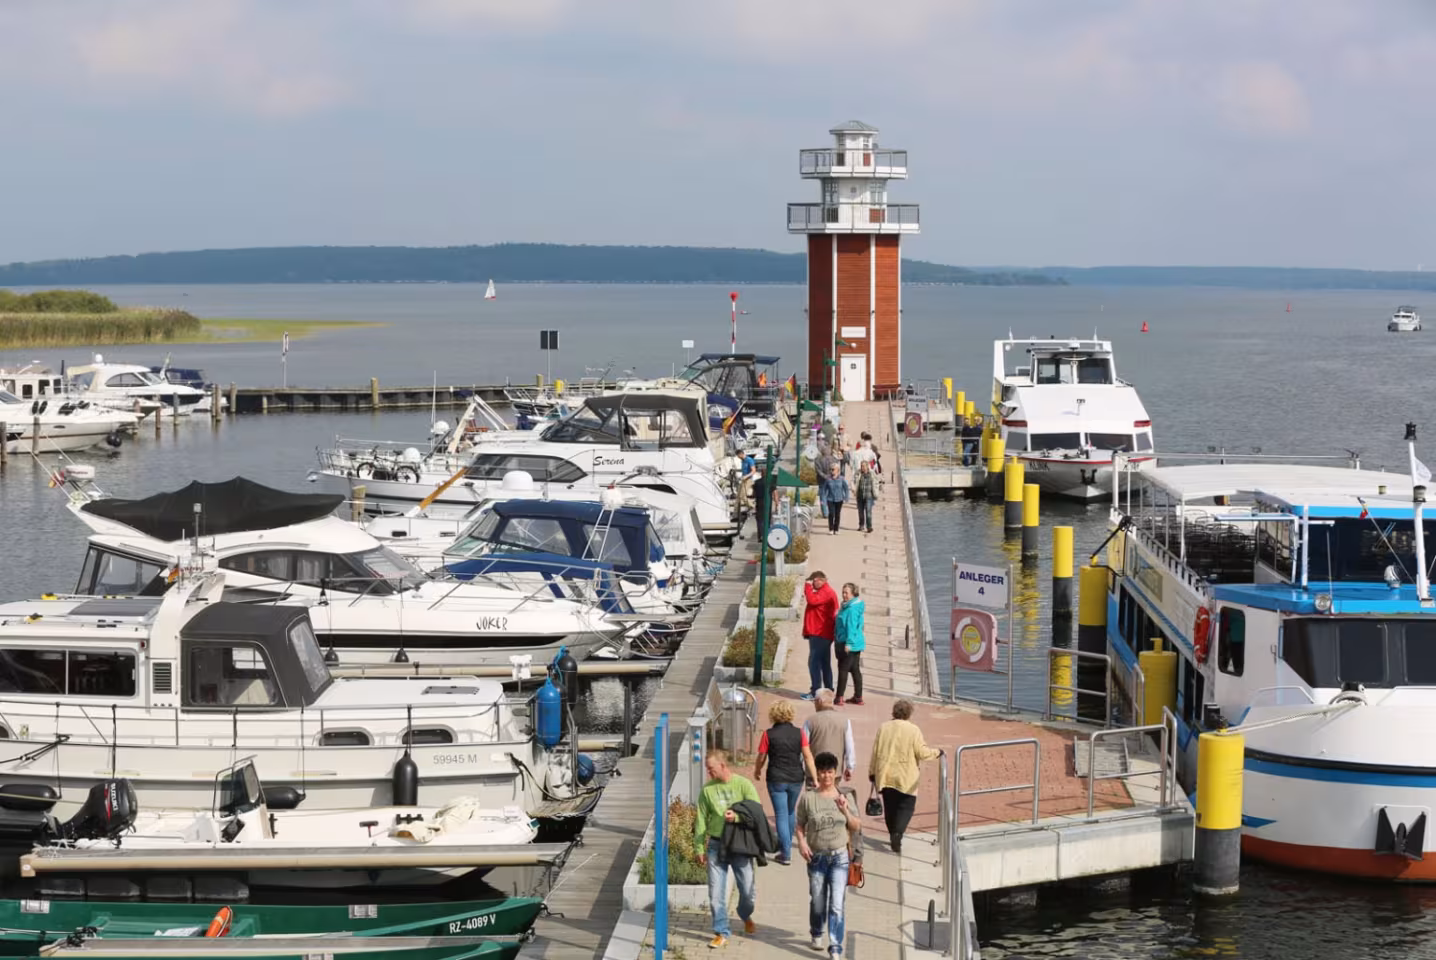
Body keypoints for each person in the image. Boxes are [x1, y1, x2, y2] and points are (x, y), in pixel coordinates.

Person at [796, 751, 860, 956]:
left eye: (830, 772)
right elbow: (799, 825)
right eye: (822, 772)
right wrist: (802, 843)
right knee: (817, 901)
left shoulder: (845, 796)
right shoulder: (808, 798)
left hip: (840, 857)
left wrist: (845, 810)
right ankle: (816, 931)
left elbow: (856, 826)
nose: (826, 777)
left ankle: (835, 946)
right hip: (817, 858)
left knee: (837, 904)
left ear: (835, 773)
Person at [696, 749, 761, 947]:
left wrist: (738, 817)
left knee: (747, 891)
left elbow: (756, 812)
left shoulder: (743, 785)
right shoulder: (707, 790)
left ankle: (744, 914)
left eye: (711, 769)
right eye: (707, 770)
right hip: (716, 844)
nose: (709, 773)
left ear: (723, 766)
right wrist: (699, 847)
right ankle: (721, 931)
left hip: (740, 843)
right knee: (716, 892)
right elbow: (700, 819)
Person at [868, 699, 941, 854]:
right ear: (909, 714)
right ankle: (897, 834)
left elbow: (875, 751)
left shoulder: (884, 727)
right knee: (906, 807)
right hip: (906, 776)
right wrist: (938, 752)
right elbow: (922, 753)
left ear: (894, 712)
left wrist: (872, 772)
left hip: (885, 774)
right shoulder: (913, 730)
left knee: (890, 808)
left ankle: (893, 833)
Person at [753, 700, 808, 865]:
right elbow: (808, 756)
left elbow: (762, 756)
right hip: (796, 778)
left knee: (781, 815)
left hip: (776, 778)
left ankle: (785, 853)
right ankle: (787, 843)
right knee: (790, 811)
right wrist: (813, 776)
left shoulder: (768, 734)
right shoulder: (800, 733)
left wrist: (758, 770)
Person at [801, 571, 839, 701]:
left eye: (814, 581)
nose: (812, 583)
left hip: (820, 633)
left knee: (814, 662)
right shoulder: (825, 592)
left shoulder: (826, 592)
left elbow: (812, 600)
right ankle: (828, 691)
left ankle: (816, 691)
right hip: (821, 633)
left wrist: (807, 587)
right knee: (824, 663)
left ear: (821, 580)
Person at [804, 690, 856, 783]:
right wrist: (850, 767)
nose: (814, 704)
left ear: (819, 701)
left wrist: (802, 767)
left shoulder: (810, 721)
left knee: (813, 797)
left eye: (814, 701)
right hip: (834, 772)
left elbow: (803, 746)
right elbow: (850, 746)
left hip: (814, 773)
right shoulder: (844, 720)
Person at [834, 583, 865, 705]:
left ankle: (839, 697)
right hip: (856, 643)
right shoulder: (853, 606)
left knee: (843, 669)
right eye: (843, 592)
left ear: (853, 594)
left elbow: (851, 627)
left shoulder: (851, 609)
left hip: (848, 643)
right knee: (855, 669)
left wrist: (848, 643)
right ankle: (858, 697)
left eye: (847, 593)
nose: (844, 595)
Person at [825, 463, 850, 535]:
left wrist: (846, 498)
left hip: (839, 499)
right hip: (830, 499)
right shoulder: (828, 479)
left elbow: (846, 489)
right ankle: (831, 529)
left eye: (833, 469)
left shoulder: (841, 479)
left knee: (837, 514)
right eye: (830, 469)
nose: (831, 471)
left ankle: (836, 529)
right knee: (831, 514)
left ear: (837, 470)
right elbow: (824, 490)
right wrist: (823, 500)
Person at [854, 460, 877, 534]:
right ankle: (861, 525)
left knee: (868, 511)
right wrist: (853, 489)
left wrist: (876, 493)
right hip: (860, 496)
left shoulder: (872, 474)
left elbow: (876, 483)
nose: (862, 467)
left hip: (869, 496)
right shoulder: (858, 473)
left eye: (864, 466)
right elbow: (853, 481)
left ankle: (869, 527)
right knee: (860, 512)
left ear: (867, 466)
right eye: (861, 466)